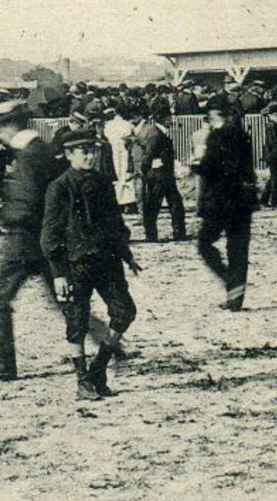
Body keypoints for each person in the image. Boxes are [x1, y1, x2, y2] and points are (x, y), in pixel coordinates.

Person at [41, 129, 139, 400]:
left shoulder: (104, 182)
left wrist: (126, 254)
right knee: (77, 322)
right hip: (76, 265)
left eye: (92, 149)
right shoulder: (59, 187)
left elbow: (116, 224)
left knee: (125, 312)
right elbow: (50, 233)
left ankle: (99, 368)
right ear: (69, 154)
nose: (90, 155)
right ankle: (82, 381)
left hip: (107, 261)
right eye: (83, 150)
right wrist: (58, 272)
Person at [0, 102, 63, 381]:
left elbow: (28, 204)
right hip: (45, 240)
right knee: (65, 300)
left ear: (8, 126)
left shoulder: (28, 156)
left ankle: (2, 365)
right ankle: (112, 345)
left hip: (24, 241)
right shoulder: (38, 149)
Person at [192, 97, 259, 311]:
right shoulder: (243, 136)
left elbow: (211, 168)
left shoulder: (215, 137)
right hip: (242, 199)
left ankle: (228, 278)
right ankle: (235, 297)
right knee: (238, 247)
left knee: (204, 243)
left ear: (212, 117)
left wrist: (196, 166)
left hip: (220, 201)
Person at [134, 103, 187, 242]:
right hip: (159, 175)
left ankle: (178, 232)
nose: (172, 120)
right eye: (169, 117)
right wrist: (144, 171)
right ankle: (153, 234)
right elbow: (149, 154)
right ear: (163, 118)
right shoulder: (156, 134)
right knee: (154, 205)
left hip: (164, 174)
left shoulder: (155, 131)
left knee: (175, 203)